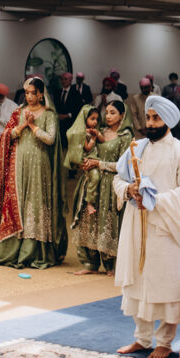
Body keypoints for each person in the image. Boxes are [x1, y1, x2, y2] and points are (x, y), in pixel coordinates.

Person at [112, 95, 180, 358]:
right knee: (138, 280)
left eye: (156, 118)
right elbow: (118, 179)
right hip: (136, 223)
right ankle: (142, 339)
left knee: (167, 282)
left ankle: (164, 342)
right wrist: (128, 190)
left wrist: (155, 199)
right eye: (148, 118)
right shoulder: (135, 148)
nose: (150, 123)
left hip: (167, 225)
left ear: (168, 120)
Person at [0, 77, 65, 269]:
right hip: (18, 163)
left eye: (33, 93)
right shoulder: (19, 112)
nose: (29, 97)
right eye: (27, 93)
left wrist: (32, 126)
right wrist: (23, 125)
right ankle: (15, 248)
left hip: (40, 164)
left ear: (41, 94)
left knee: (36, 202)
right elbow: (7, 135)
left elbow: (50, 139)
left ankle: (34, 251)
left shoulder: (49, 114)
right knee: (19, 201)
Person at [66, 101, 132, 275]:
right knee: (88, 222)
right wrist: (84, 162)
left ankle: (111, 265)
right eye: (107, 112)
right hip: (92, 182)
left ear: (122, 115)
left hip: (111, 184)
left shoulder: (125, 137)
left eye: (113, 113)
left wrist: (99, 164)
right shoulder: (98, 131)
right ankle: (90, 264)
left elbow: (124, 166)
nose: (108, 116)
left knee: (107, 223)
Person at [125, 76, 154, 142]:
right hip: (140, 131)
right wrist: (140, 129)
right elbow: (134, 115)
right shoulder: (135, 98)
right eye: (142, 88)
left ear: (150, 87)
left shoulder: (155, 97)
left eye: (146, 88)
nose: (144, 90)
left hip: (153, 129)